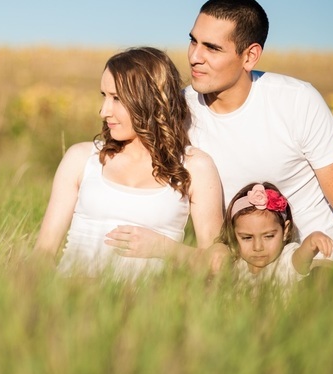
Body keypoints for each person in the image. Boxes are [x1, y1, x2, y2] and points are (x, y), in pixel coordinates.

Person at [118, 0, 333, 277]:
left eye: (212, 48)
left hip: (311, 263)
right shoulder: (180, 110)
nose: (194, 56)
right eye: (193, 41)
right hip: (235, 267)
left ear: (249, 56)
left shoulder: (297, 101)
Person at [34, 47, 223, 281]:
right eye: (104, 96)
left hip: (149, 310)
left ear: (150, 99)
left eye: (117, 98)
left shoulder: (195, 166)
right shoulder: (82, 159)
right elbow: (43, 254)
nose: (104, 111)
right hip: (73, 303)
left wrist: (165, 248)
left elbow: (219, 263)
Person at [218, 182, 333, 296]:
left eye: (269, 236)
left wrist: (312, 241)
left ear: (285, 231)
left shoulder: (285, 260)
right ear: (233, 234)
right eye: (247, 238)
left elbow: (301, 258)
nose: (258, 247)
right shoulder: (236, 264)